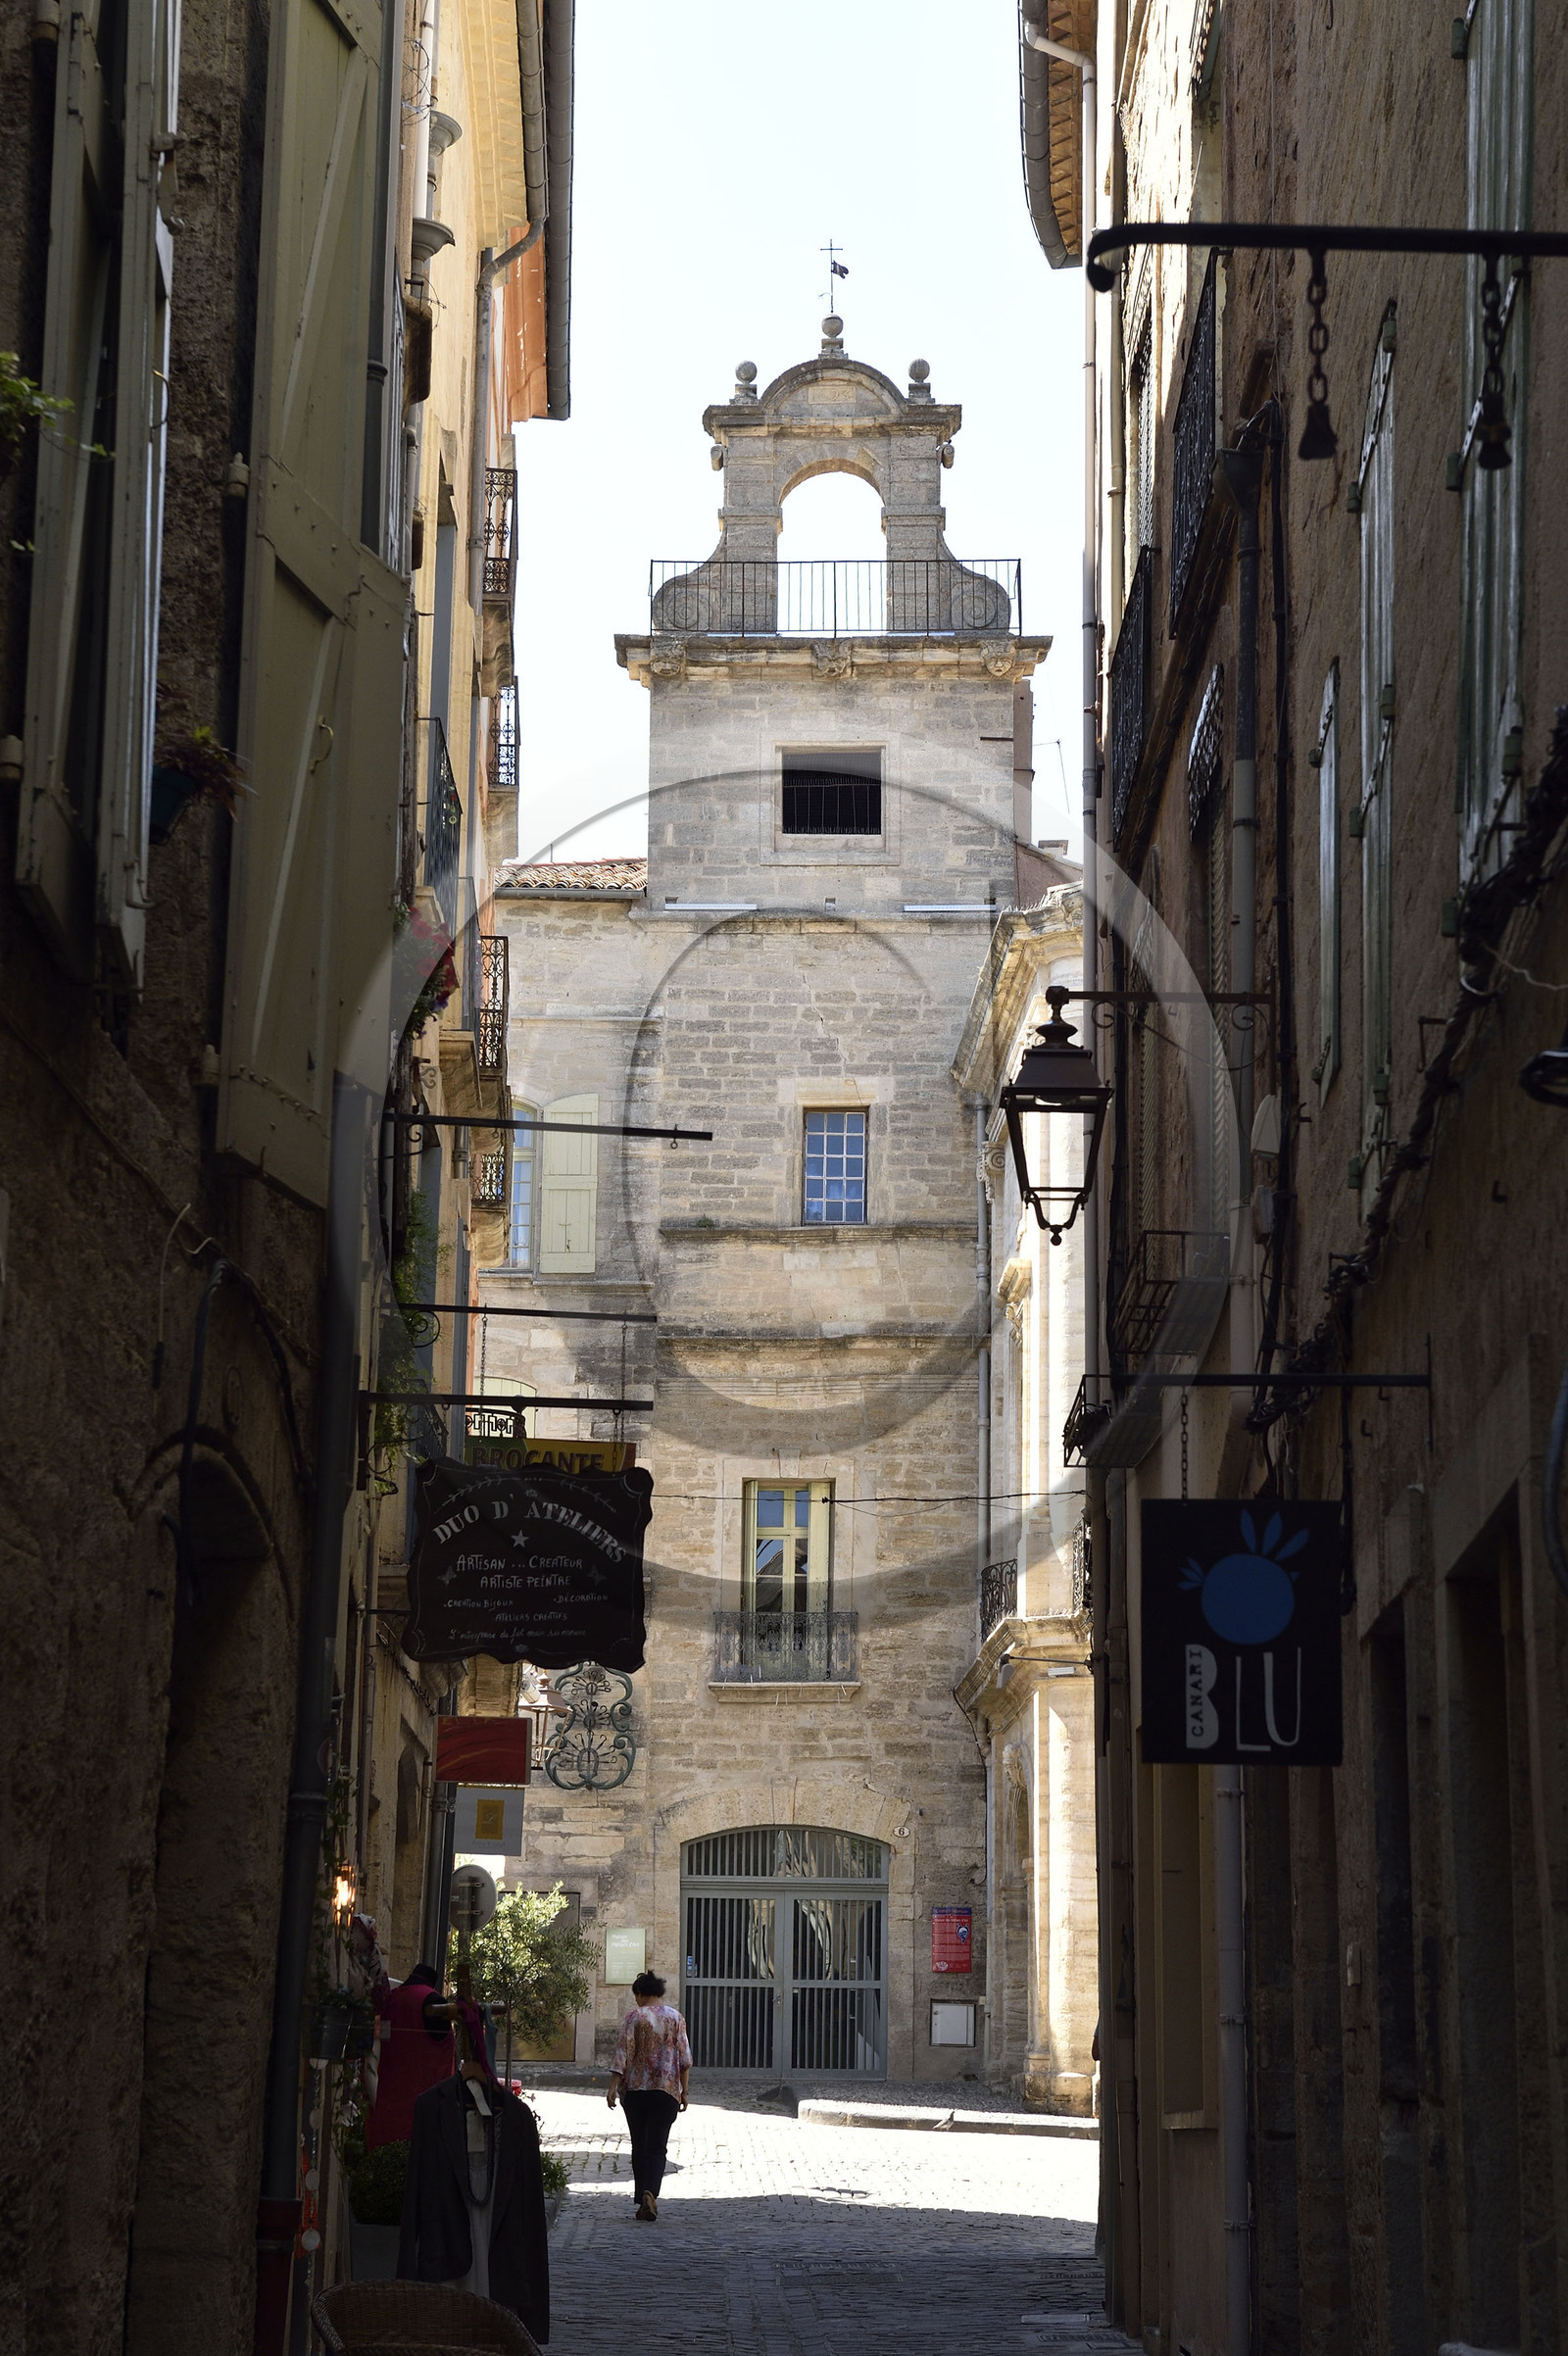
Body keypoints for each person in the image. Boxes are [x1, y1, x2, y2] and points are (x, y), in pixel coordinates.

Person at [607, 1971, 691, 2221]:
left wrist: (612, 2086)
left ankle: (641, 2195)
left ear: (640, 1993)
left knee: (639, 2145)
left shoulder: (634, 2017)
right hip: (666, 2091)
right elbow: (685, 2059)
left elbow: (623, 2053)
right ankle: (649, 2192)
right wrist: (684, 2091)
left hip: (636, 2091)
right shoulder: (676, 2018)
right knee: (657, 2147)